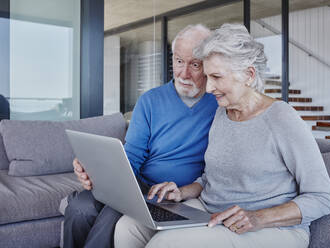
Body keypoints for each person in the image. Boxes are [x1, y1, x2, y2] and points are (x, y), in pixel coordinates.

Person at [114, 23, 330, 248]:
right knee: (128, 227)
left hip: (268, 227)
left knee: (165, 244)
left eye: (217, 77)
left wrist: (258, 217)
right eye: (207, 77)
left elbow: (322, 198)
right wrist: (181, 192)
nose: (209, 88)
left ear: (248, 75)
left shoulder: (282, 118)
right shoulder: (222, 112)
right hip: (211, 211)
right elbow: (210, 179)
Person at [63, 24, 218, 248]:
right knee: (79, 209)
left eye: (194, 64)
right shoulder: (150, 100)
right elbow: (132, 155)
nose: (183, 73)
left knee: (111, 217)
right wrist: (99, 174)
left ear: (208, 66)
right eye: (178, 61)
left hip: (169, 192)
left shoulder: (219, 105)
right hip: (136, 182)